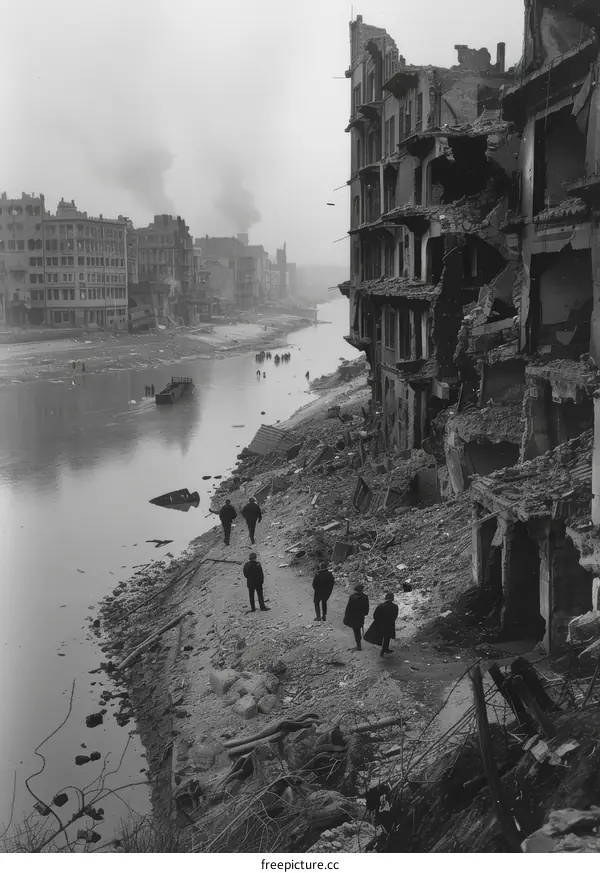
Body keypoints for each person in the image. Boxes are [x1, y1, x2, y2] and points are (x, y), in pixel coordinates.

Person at [343, 584, 369, 651]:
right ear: (362, 590)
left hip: (353, 617)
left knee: (356, 631)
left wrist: (347, 617)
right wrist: (364, 614)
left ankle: (358, 645)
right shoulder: (365, 597)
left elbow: (348, 608)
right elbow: (366, 609)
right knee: (358, 629)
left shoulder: (352, 597)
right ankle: (358, 645)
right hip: (360, 617)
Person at [373, 592, 399, 658]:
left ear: (386, 598)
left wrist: (378, 621)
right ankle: (385, 649)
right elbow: (395, 616)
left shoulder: (381, 606)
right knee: (387, 637)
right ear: (392, 599)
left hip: (381, 624)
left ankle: (382, 648)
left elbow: (375, 616)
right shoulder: (395, 607)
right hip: (390, 624)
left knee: (381, 636)